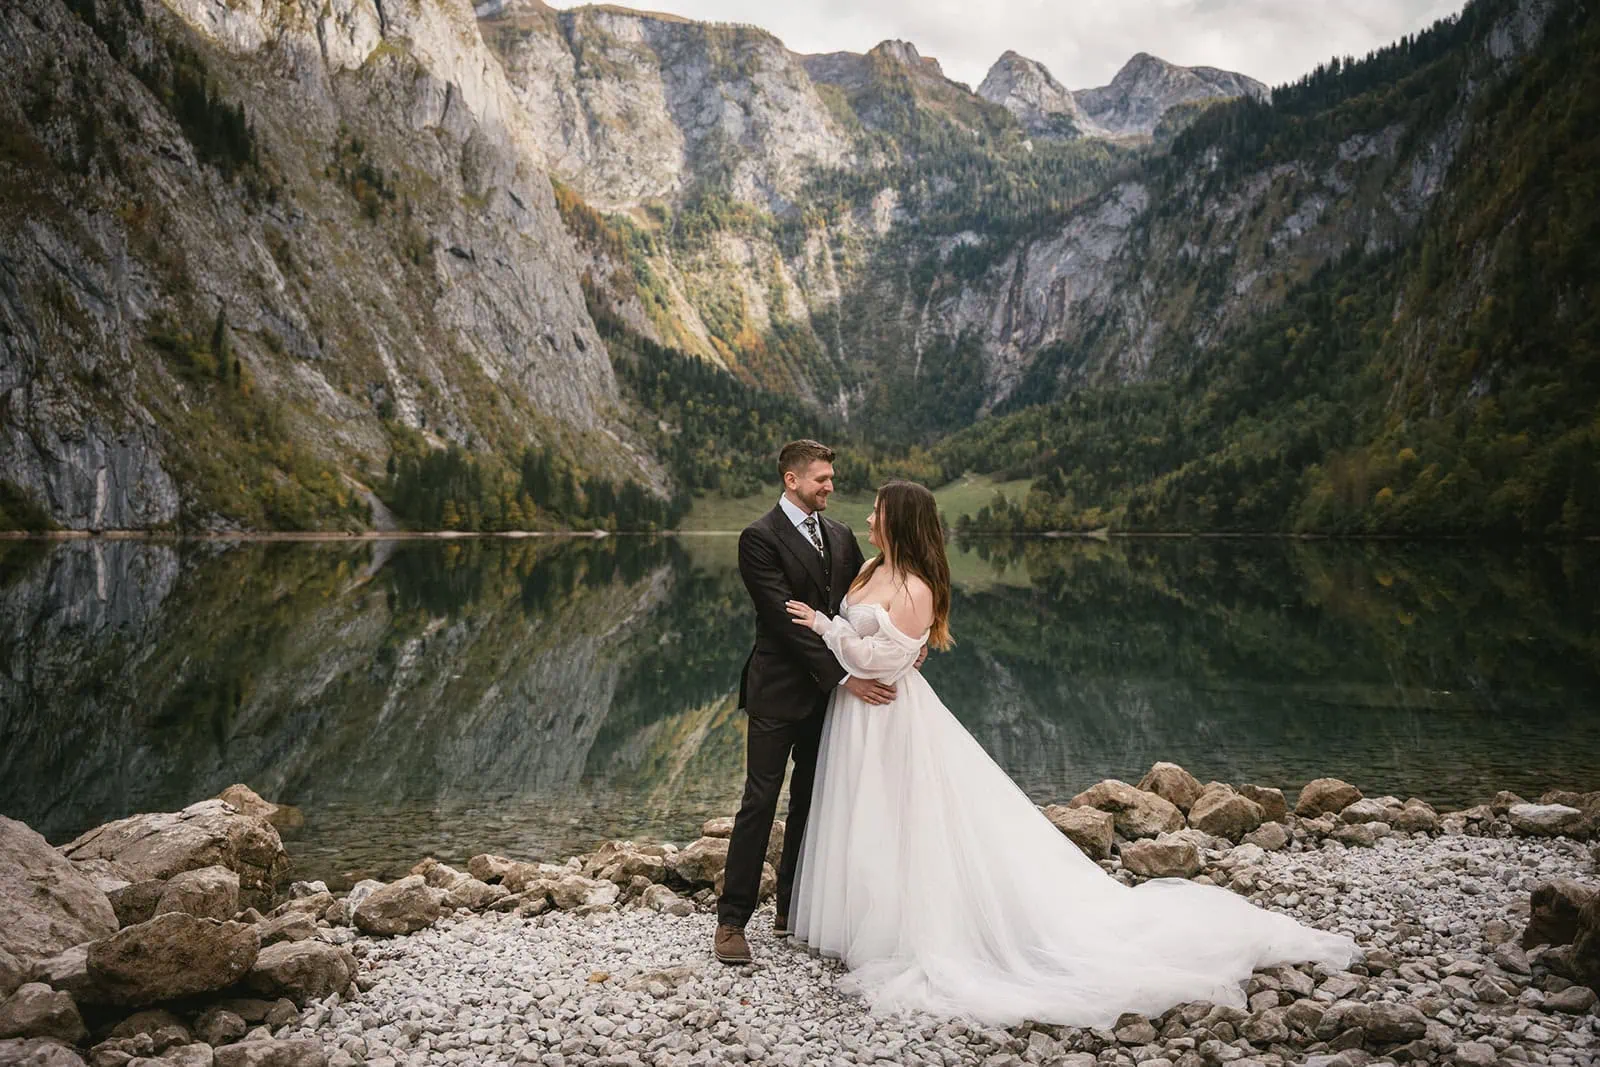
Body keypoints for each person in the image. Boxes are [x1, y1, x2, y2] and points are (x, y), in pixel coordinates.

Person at [780, 479, 1361, 1027]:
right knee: (866, 812)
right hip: (857, 715)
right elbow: (873, 646)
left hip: (890, 714)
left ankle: (915, 929)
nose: (868, 517)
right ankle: (863, 923)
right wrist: (843, 636)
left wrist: (826, 630)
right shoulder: (868, 569)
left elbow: (882, 661)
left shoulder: (918, 588)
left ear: (899, 520)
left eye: (877, 510)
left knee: (908, 815)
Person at [712, 441, 925, 965]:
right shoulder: (758, 538)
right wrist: (848, 677)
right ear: (791, 479)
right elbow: (786, 621)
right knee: (759, 801)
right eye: (821, 479)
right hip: (779, 690)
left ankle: (793, 908)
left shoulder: (840, 536)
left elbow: (856, 613)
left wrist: (903, 652)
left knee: (813, 801)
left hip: (829, 700)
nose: (830, 487)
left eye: (831, 478)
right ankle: (731, 921)